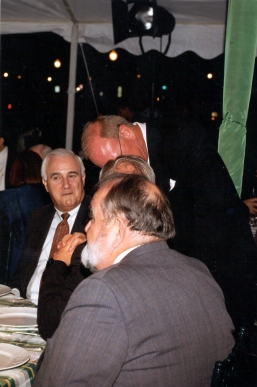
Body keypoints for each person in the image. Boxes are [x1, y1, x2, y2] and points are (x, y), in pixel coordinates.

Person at [34, 174, 235, 387]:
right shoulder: (198, 270)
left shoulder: (104, 291)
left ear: (118, 229)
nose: (86, 228)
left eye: (93, 218)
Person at [81, 115, 257, 332]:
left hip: (222, 272)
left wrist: (187, 281)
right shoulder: (131, 170)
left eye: (116, 157)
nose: (117, 169)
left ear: (125, 132)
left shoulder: (182, 136)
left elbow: (213, 213)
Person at [37, 155, 156, 340]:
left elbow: (50, 323)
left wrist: (59, 261)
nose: (66, 185)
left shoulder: (94, 259)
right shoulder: (185, 268)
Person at [8, 148, 91, 305]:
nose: (66, 185)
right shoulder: (38, 218)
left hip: (63, 312)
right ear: (45, 184)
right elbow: (21, 274)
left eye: (72, 176)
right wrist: (12, 298)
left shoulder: (96, 218)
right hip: (24, 307)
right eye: (56, 178)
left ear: (83, 178)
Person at [0, 150, 45, 279]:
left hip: (9, 270)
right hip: (34, 268)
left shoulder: (5, 199)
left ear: (15, 171)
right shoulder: (46, 198)